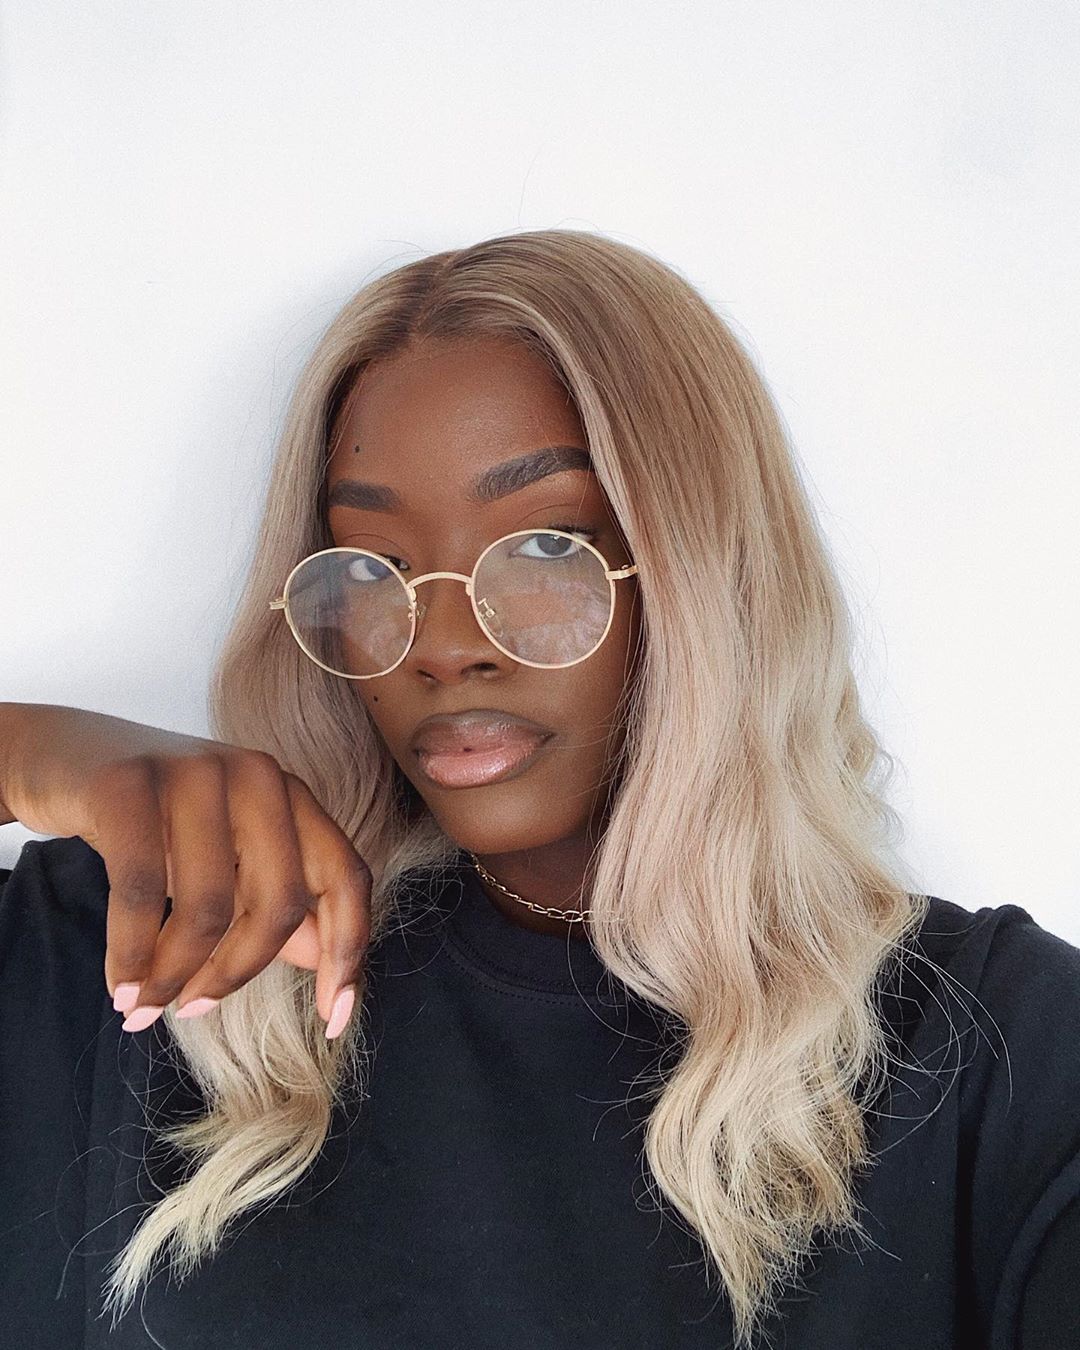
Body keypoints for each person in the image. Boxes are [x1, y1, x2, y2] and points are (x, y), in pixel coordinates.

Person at [0, 228, 1077, 1350]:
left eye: (550, 546)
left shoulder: (991, 1054)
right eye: (376, 567)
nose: (443, 643)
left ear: (704, 568)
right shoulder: (164, 957)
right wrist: (33, 754)